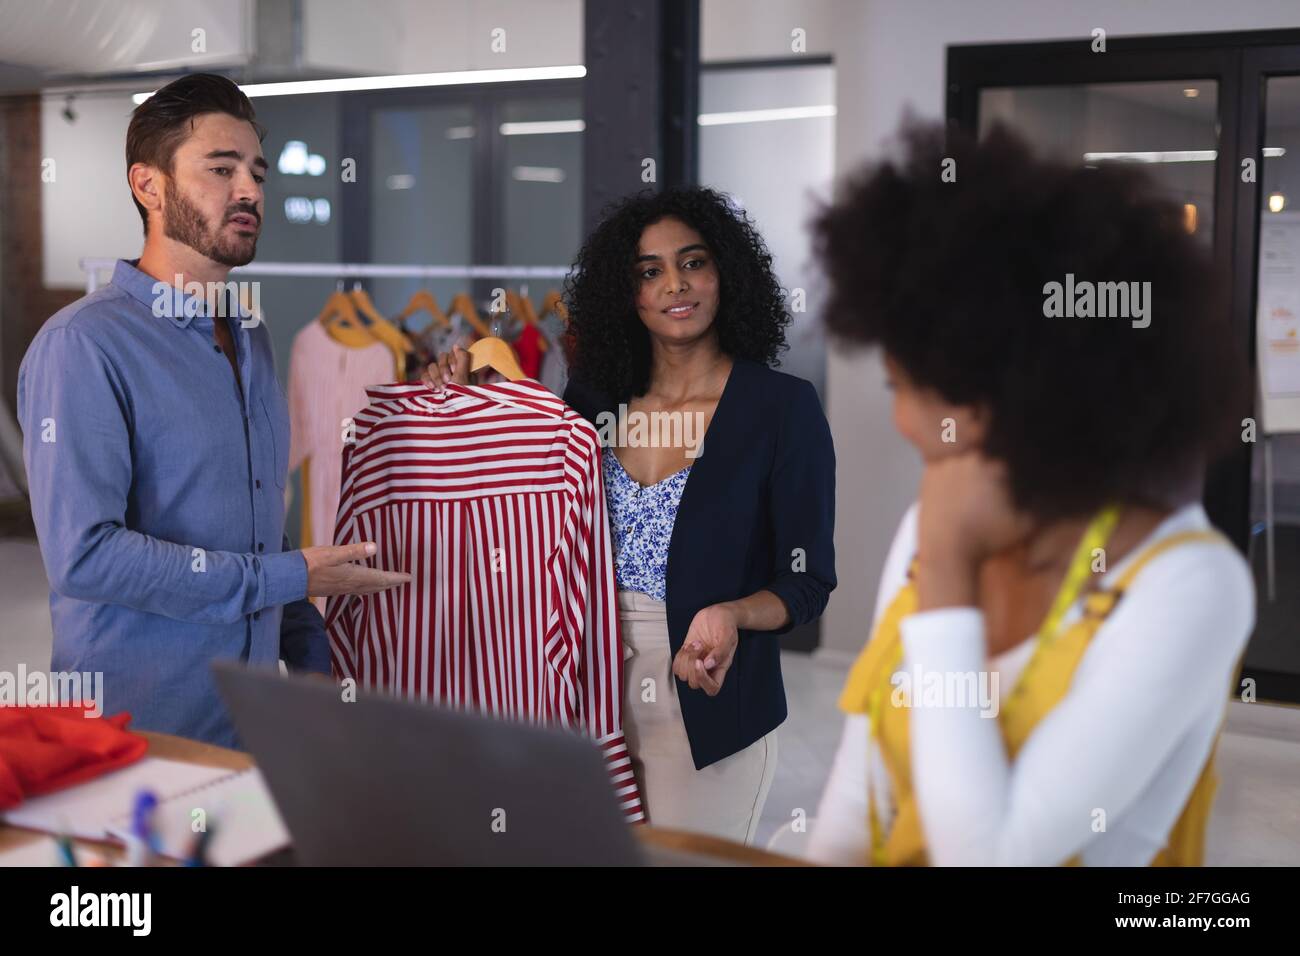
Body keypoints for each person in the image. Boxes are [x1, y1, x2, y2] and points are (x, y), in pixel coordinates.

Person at [806, 122, 1255, 866]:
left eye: (903, 387)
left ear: (989, 405)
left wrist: (947, 573)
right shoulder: (928, 527)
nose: (899, 419)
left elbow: (991, 856)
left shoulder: (1189, 584)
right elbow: (859, 804)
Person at [424, 186, 836, 844]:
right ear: (628, 293)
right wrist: (467, 401)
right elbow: (526, 511)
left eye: (693, 262)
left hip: (705, 699)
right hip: (579, 689)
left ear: (725, 273)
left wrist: (731, 613)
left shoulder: (781, 408)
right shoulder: (591, 400)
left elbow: (808, 580)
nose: (675, 284)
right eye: (650, 271)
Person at [18, 73, 407, 747]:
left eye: (257, 171)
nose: (251, 191)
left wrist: (310, 658)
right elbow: (85, 557)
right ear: (149, 185)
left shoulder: (249, 334)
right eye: (220, 169)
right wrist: (292, 576)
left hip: (250, 725)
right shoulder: (82, 345)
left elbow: (254, 526)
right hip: (137, 732)